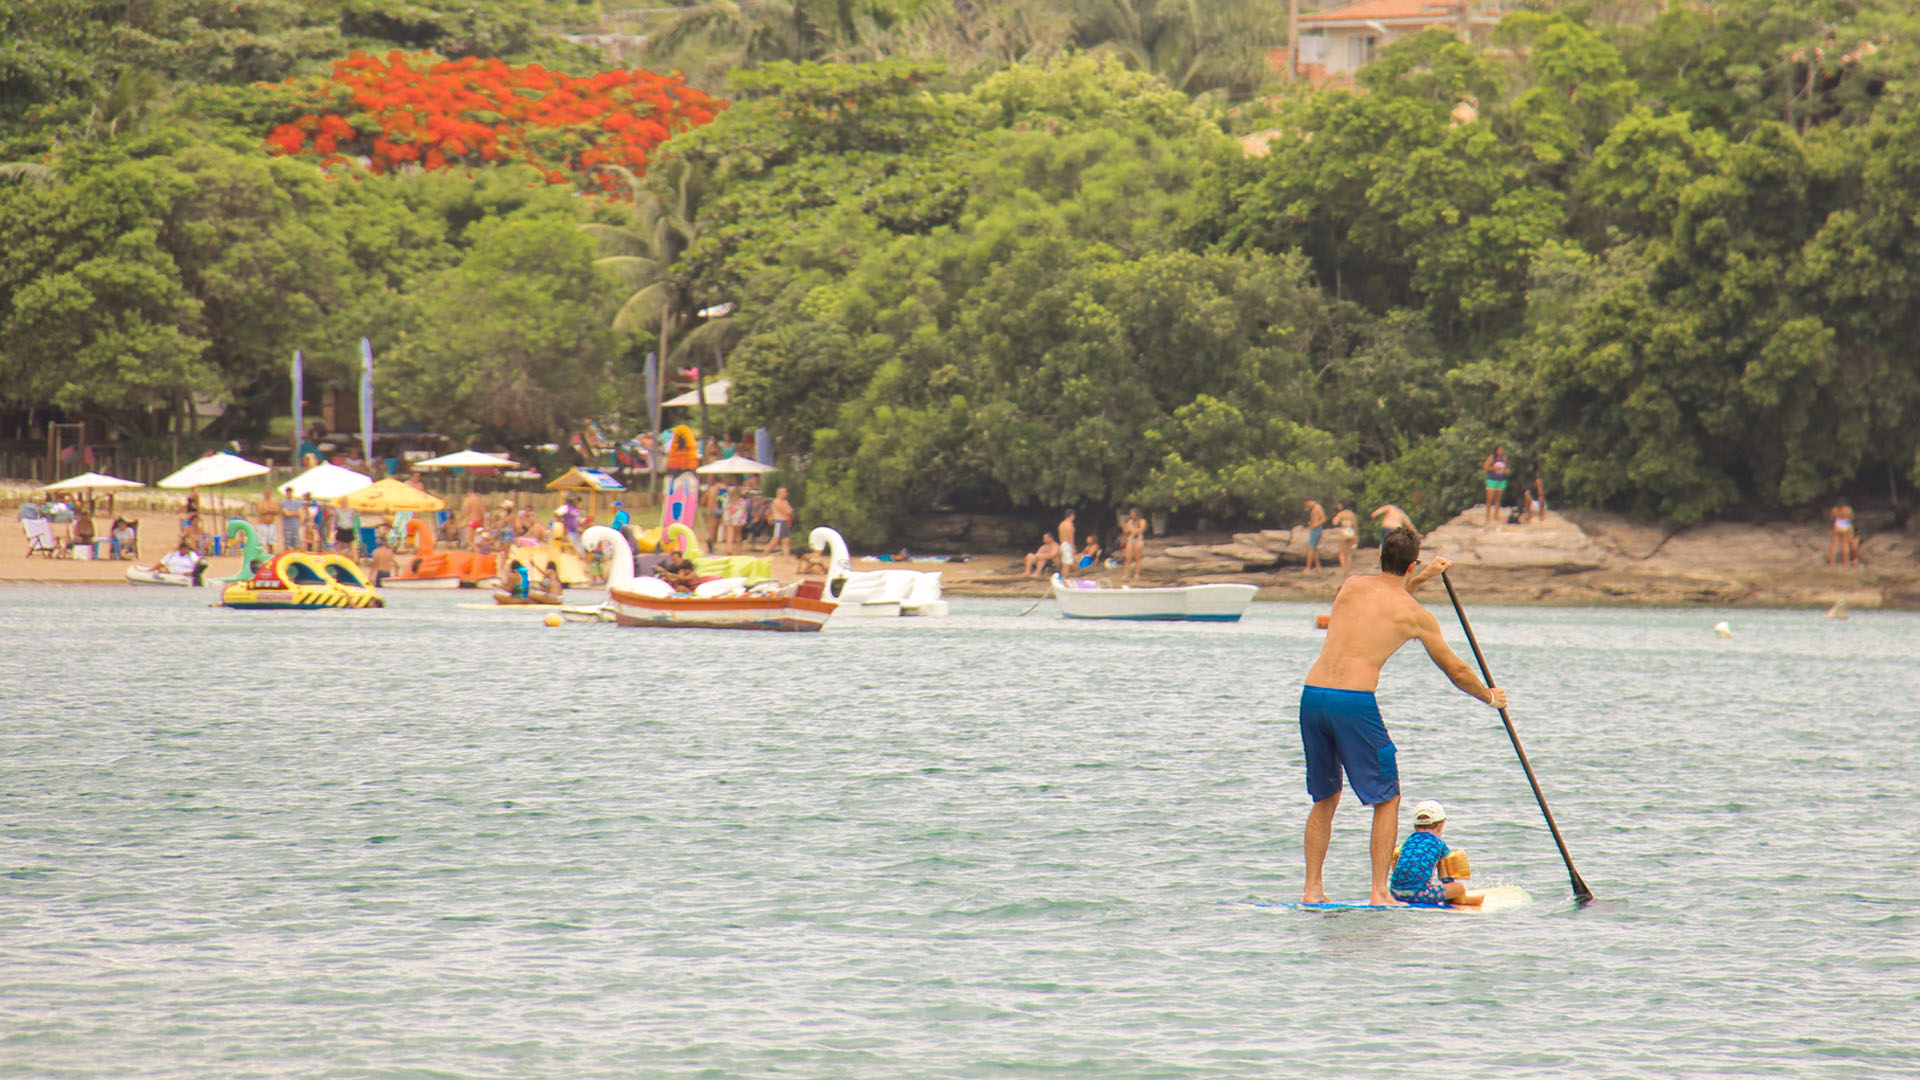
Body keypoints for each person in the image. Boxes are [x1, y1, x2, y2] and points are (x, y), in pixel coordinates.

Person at [1297, 528, 1505, 906]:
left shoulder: (1351, 586)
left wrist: (1421, 578)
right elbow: (1456, 670)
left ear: (1380, 557)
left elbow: (1383, 599)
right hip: (1353, 702)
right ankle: (1380, 892)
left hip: (1312, 696)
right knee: (1387, 797)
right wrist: (1489, 696)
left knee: (1325, 796)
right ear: (1412, 563)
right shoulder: (1416, 616)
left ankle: (1312, 889)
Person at [1389, 800, 1483, 908]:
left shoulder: (1408, 842)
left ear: (1415, 826)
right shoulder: (1438, 844)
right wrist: (1452, 891)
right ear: (1441, 825)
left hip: (1395, 893)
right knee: (1459, 888)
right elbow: (1447, 878)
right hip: (1419, 894)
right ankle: (1460, 900)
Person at [762, 487, 795, 557]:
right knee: (775, 540)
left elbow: (790, 510)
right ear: (779, 493)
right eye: (784, 492)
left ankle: (786, 558)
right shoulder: (776, 501)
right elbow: (786, 511)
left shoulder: (785, 502)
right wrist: (788, 511)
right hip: (779, 522)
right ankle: (764, 555)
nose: (786, 494)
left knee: (786, 540)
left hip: (785, 522)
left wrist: (789, 511)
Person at [1481, 445, 1509, 525]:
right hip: (1492, 479)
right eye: (1500, 450)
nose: (1501, 451)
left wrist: (1506, 471)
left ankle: (1496, 516)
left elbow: (1507, 468)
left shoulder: (1504, 459)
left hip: (1501, 480)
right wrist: (1493, 468)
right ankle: (1487, 517)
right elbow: (1485, 466)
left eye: (1502, 450)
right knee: (1489, 498)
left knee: (1498, 499)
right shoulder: (1492, 457)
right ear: (1496, 451)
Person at [1829, 499, 1860, 566]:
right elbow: (1851, 517)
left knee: (1834, 544)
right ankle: (1845, 562)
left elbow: (1832, 518)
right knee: (1845, 545)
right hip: (1846, 526)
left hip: (1837, 525)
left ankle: (1832, 561)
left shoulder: (1834, 509)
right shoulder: (1848, 509)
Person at [1330, 502, 1358, 572]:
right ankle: (1349, 568)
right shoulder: (1351, 513)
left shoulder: (1340, 514)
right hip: (1351, 531)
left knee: (1341, 552)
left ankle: (1344, 568)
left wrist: (1334, 518)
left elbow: (1335, 522)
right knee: (1348, 552)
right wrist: (1356, 534)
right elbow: (1354, 524)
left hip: (1344, 530)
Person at [1120, 508, 1147, 581]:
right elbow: (1126, 531)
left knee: (1137, 557)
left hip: (1138, 540)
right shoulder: (1130, 521)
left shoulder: (1142, 521)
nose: (1131, 515)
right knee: (1127, 558)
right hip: (1130, 539)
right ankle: (1126, 574)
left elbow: (1141, 530)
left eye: (1132, 513)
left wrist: (1132, 529)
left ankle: (1137, 573)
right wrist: (1125, 528)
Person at [1302, 499, 1327, 572]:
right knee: (1313, 549)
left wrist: (1314, 525)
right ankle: (1318, 567)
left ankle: (1308, 568)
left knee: (1310, 549)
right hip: (1313, 529)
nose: (1307, 506)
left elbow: (1323, 519)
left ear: (1309, 501)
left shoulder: (1317, 507)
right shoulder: (1314, 508)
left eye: (1306, 504)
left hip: (1316, 530)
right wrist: (1310, 525)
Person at [1057, 509, 1078, 580]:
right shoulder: (1069, 524)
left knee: (1064, 563)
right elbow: (1070, 537)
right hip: (1067, 544)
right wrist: (1073, 547)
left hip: (1062, 544)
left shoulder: (1061, 524)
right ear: (1071, 516)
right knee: (1067, 564)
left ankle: (1063, 578)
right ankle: (1065, 578)